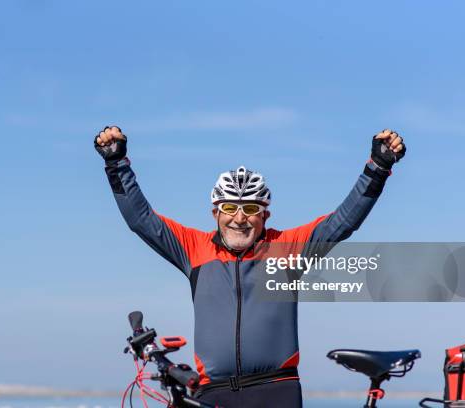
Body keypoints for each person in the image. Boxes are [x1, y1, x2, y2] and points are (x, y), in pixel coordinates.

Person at [95, 126, 406, 407]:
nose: (239, 218)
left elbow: (344, 221)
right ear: (215, 213)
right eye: (230, 207)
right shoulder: (194, 249)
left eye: (250, 208)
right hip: (211, 392)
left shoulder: (287, 248)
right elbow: (141, 220)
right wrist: (116, 164)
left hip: (276, 390)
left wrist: (377, 168)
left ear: (265, 215)